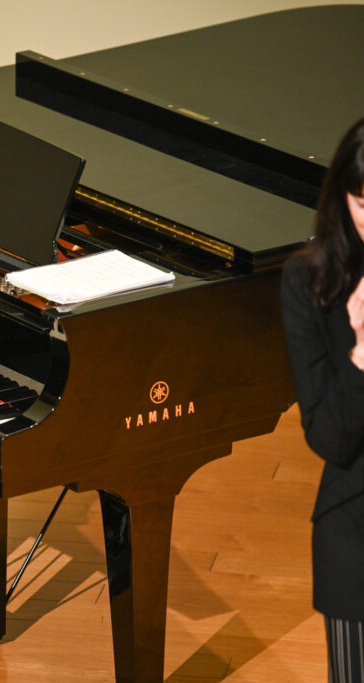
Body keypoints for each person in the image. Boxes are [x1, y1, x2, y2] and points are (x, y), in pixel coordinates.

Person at [281, 116, 364, 683]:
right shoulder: (307, 284)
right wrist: (361, 357)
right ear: (343, 198)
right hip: (355, 523)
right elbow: (330, 439)